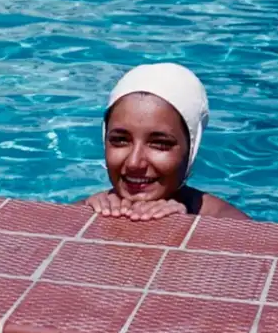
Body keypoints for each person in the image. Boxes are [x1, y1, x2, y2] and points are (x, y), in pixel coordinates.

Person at [84, 62, 249, 221]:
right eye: (120, 140)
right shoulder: (91, 207)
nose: (134, 163)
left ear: (191, 150)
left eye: (160, 144)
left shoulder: (230, 223)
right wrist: (83, 213)